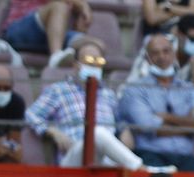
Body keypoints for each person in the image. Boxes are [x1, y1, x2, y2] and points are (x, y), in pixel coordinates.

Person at [25, 38, 144, 168]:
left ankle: (145, 169)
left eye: (99, 62)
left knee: (102, 136)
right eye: (88, 61)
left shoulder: (108, 94)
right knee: (97, 132)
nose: (94, 65)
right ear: (76, 65)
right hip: (73, 156)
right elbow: (31, 115)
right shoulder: (59, 90)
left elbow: (119, 120)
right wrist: (52, 131)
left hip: (105, 158)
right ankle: (142, 170)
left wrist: (124, 129)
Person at [119, 33, 194, 172]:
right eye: (155, 53)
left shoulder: (188, 89)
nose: (162, 57)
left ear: (174, 54)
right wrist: (188, 124)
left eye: (166, 51)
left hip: (186, 158)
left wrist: (166, 117)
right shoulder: (135, 89)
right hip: (151, 156)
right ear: (147, 58)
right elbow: (148, 126)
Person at [0, 0, 89, 61]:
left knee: (94, 45)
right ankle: (56, 56)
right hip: (20, 27)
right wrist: (83, 5)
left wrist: (83, 13)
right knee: (59, 6)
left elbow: (85, 18)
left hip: (53, 33)